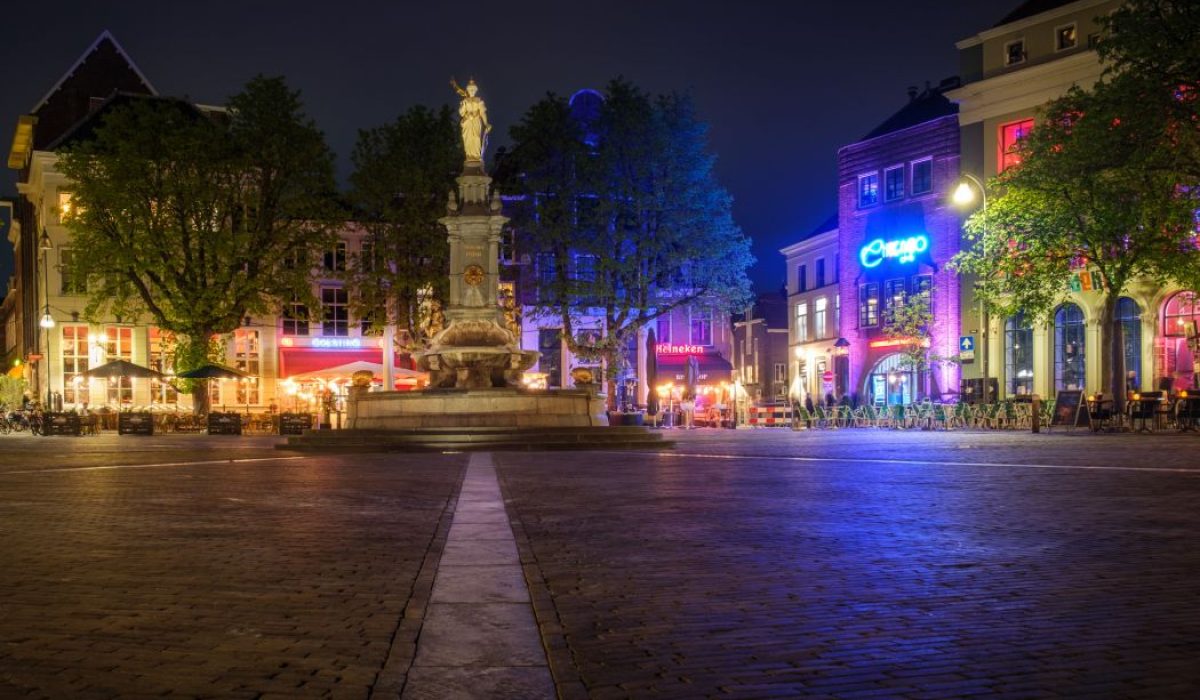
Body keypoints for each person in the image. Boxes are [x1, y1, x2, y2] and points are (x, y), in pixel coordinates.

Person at [450, 78, 491, 163]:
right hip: (467, 122)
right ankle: (469, 157)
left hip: (476, 121)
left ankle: (476, 157)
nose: (471, 91)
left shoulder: (479, 100)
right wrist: (463, 105)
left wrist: (486, 123)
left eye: (473, 89)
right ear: (468, 90)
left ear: (476, 90)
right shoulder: (465, 101)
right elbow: (461, 113)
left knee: (476, 138)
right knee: (467, 140)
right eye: (470, 89)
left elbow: (483, 113)